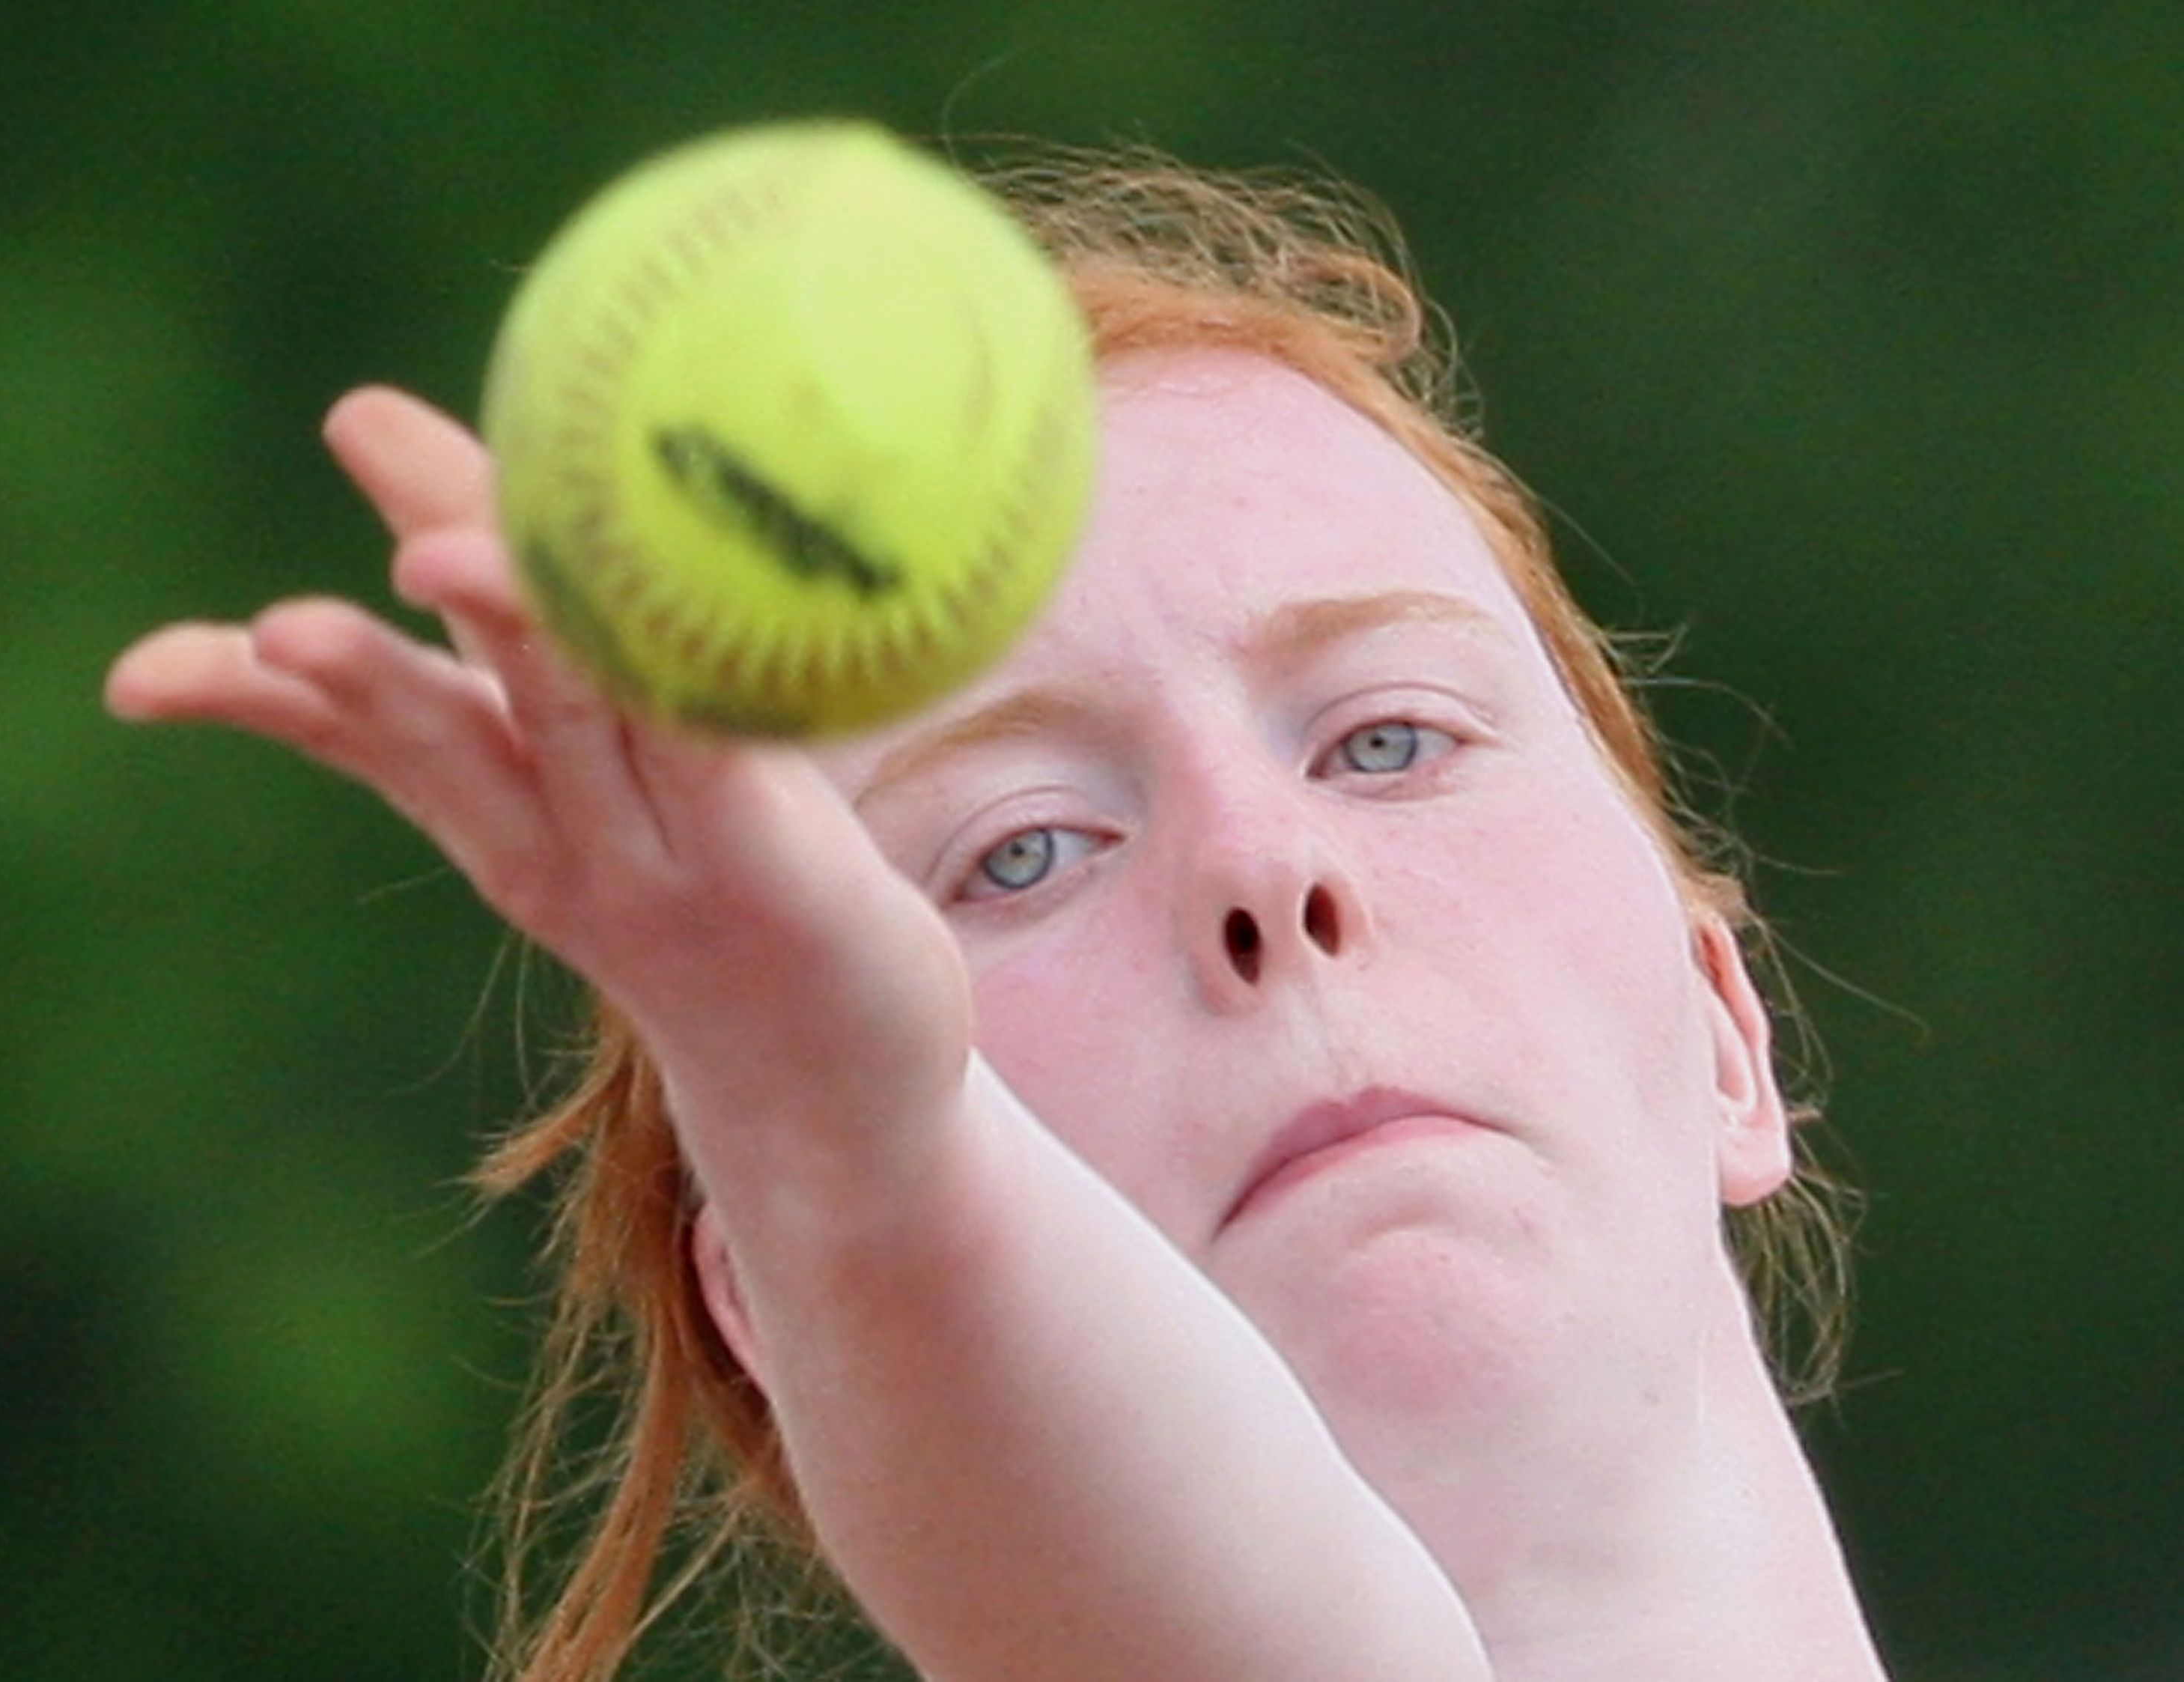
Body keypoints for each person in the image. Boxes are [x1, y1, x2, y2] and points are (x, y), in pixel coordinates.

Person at [106, 149, 1887, 1682]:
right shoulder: (860, 1186)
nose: (1261, 866)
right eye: (1021, 851)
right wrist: (853, 1145)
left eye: (1391, 735)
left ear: (1730, 1032)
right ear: (783, 1314)